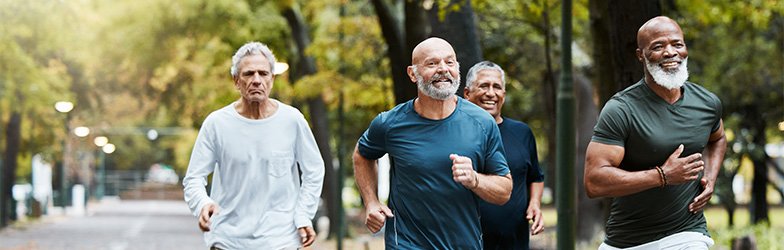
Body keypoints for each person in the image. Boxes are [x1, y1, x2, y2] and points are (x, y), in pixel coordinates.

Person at [353, 37, 513, 249]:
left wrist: (474, 179)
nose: (443, 69)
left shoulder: (482, 123)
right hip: (407, 244)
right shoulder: (389, 123)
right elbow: (362, 155)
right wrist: (371, 201)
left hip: (464, 244)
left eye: (449, 62)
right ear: (412, 73)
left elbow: (504, 191)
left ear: (457, 68)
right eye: (432, 63)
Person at [584, 16, 727, 249]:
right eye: (658, 46)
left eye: (677, 44)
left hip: (687, 233)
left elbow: (718, 138)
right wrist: (662, 175)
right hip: (627, 240)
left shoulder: (707, 103)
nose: (670, 52)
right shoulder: (621, 109)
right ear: (641, 55)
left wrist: (709, 177)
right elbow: (594, 182)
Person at [183, 41, 325, 249]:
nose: (256, 80)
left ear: (272, 79)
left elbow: (314, 170)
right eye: (249, 74)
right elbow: (193, 178)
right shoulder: (217, 123)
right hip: (228, 240)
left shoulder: (292, 120)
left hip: (280, 240)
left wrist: (303, 214)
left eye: (263, 73)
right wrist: (202, 204)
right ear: (236, 81)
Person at [463, 61, 545, 250]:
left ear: (504, 95)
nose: (491, 93)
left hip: (515, 243)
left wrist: (535, 204)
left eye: (497, 87)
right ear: (467, 94)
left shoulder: (522, 132)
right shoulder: (455, 134)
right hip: (467, 243)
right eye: (483, 86)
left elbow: (536, 177)